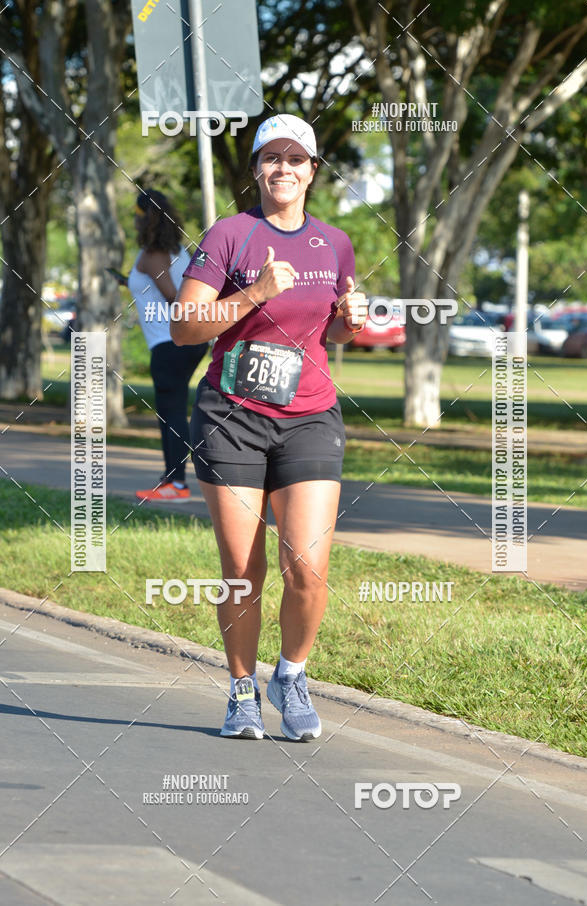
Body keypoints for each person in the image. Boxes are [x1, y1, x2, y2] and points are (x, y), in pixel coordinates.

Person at [171, 114, 367, 740]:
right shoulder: (231, 234)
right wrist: (254, 292)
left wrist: (349, 322)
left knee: (306, 569)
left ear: (313, 170)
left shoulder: (335, 243)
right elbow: (185, 326)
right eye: (271, 158)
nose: (284, 168)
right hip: (231, 418)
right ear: (256, 168)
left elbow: (326, 328)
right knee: (241, 569)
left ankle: (290, 673)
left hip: (309, 413)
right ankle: (240, 691)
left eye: (296, 159)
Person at [128, 190, 207, 502]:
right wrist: (128, 282)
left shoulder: (153, 254)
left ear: (145, 217)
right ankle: (172, 478)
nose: (133, 218)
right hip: (184, 342)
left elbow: (174, 296)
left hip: (170, 343)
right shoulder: (177, 251)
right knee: (172, 411)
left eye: (136, 213)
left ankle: (177, 483)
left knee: (171, 413)